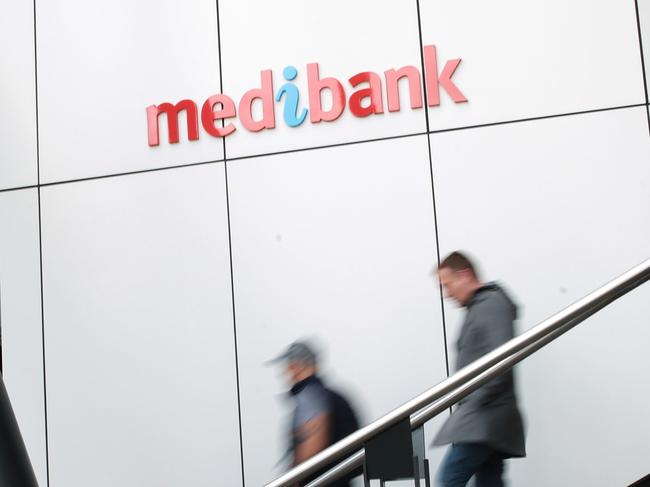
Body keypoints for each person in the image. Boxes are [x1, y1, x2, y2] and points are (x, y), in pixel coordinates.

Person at [432, 252, 525, 487]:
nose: (447, 294)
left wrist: (473, 404)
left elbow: (502, 359)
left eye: (447, 285)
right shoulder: (481, 306)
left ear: (464, 275)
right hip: (488, 420)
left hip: (484, 420)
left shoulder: (490, 304)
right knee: (489, 483)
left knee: (448, 480)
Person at [270, 341, 360, 487]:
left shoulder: (310, 396)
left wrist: (293, 481)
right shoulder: (329, 395)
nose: (286, 372)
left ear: (297, 365)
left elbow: (313, 443)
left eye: (288, 366)